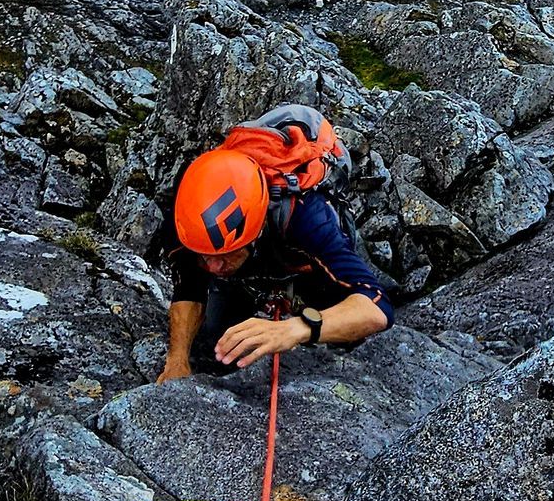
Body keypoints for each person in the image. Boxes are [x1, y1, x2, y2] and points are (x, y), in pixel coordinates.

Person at [156, 104, 393, 382]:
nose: (214, 267)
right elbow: (189, 284)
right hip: (256, 254)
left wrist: (297, 329)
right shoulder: (188, 218)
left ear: (255, 231)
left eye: (226, 255)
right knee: (213, 344)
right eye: (204, 256)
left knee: (345, 331)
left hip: (299, 254)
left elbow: (376, 308)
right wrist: (177, 359)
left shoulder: (306, 218)